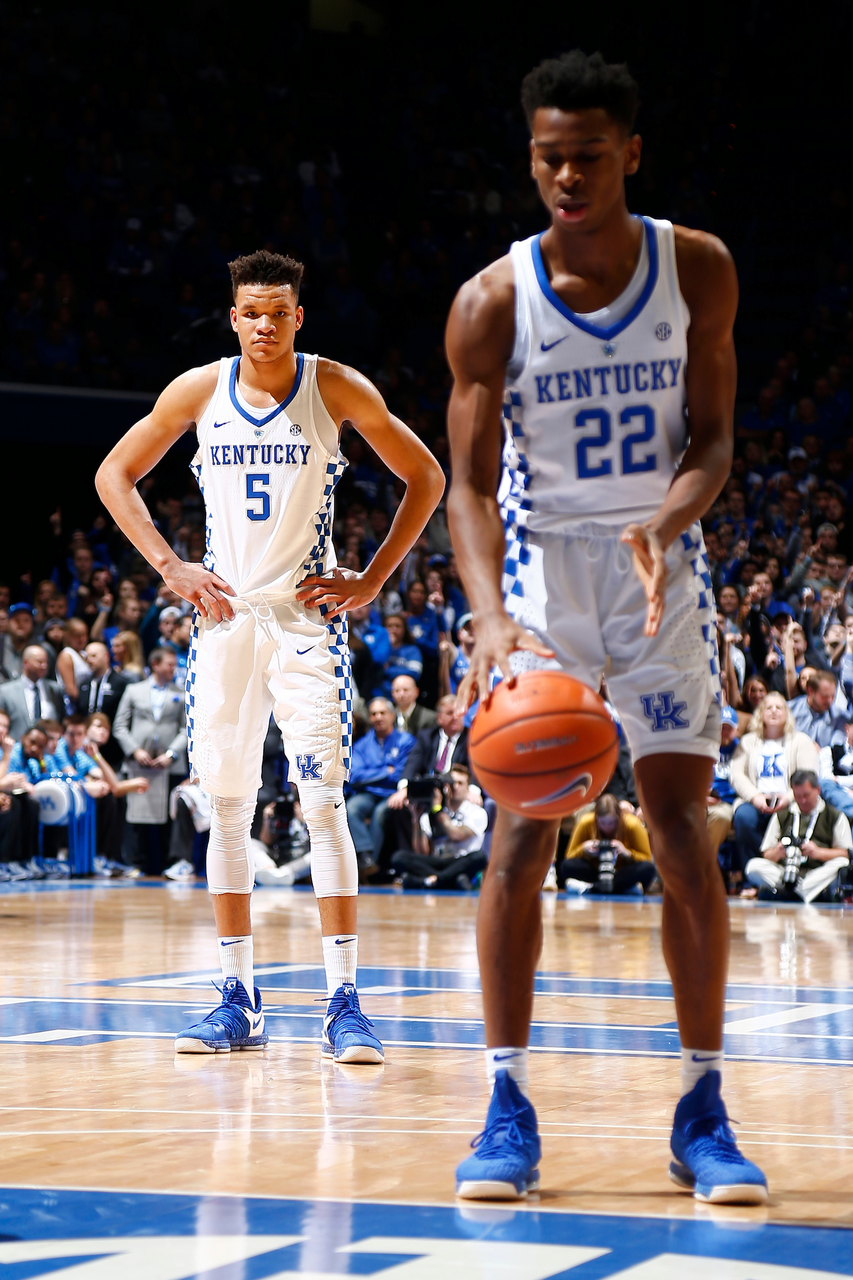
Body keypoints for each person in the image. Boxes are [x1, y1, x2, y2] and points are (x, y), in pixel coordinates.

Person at [445, 51, 767, 1202]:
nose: (565, 175)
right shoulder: (492, 302)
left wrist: (666, 523)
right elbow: (468, 486)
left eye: (586, 154)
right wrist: (489, 619)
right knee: (520, 836)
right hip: (539, 587)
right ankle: (503, 1102)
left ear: (630, 152)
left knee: (682, 833)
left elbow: (714, 438)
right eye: (547, 156)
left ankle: (701, 1106)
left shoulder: (698, 269)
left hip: (654, 576)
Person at [96, 248, 443, 1059]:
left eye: (276, 312)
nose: (262, 324)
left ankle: (343, 1001)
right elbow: (116, 474)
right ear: (233, 317)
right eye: (249, 312)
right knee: (225, 806)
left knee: (321, 804)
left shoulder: (334, 385)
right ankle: (237, 997)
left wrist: (374, 578)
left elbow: (422, 475)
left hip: (304, 621)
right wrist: (169, 567)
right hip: (223, 618)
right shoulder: (198, 388)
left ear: (298, 316)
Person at [111, 649, 188, 874]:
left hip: (168, 763)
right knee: (136, 815)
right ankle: (136, 863)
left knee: (168, 815)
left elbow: (186, 729)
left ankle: (168, 864)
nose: (173, 669)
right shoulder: (134, 690)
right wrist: (134, 751)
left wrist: (171, 754)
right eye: (169, 664)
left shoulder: (181, 692)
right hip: (138, 762)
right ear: (155, 664)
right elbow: (120, 726)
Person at [730, 692, 818, 871]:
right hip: (755, 800)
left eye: (779, 707)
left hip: (790, 801)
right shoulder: (747, 741)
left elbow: (809, 775)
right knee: (743, 818)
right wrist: (755, 797)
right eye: (768, 707)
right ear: (761, 713)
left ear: (786, 713)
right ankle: (753, 875)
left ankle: (780, 871)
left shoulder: (801, 741)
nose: (774, 711)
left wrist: (789, 797)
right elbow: (736, 774)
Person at [745, 769, 851, 903]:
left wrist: (818, 852)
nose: (802, 800)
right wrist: (777, 852)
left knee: (841, 864)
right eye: (797, 796)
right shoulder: (781, 815)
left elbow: (845, 853)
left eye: (806, 795)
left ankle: (788, 893)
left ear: (817, 790)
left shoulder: (835, 816)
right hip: (785, 871)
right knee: (753, 866)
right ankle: (803, 893)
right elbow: (766, 854)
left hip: (816, 872)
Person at [345, 697, 415, 875]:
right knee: (351, 808)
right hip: (368, 793)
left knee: (380, 813)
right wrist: (386, 771)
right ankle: (366, 856)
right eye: (374, 714)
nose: (378, 717)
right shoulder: (361, 745)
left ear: (392, 715)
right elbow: (355, 776)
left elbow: (401, 774)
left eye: (382, 713)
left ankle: (371, 864)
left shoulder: (405, 741)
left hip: (392, 793)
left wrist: (376, 773)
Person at [392, 765, 489, 890]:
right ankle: (448, 880)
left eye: (460, 783)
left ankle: (429, 881)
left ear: (468, 788)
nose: (455, 787)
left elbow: (457, 834)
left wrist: (438, 810)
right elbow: (421, 852)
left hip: (461, 861)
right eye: (451, 783)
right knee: (399, 857)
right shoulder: (430, 813)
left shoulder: (477, 812)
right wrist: (416, 819)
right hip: (438, 861)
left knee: (479, 857)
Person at [557, 793, 655, 894]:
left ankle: (594, 887)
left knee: (648, 869)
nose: (607, 827)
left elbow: (647, 860)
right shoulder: (585, 822)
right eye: (602, 823)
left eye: (612, 823)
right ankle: (621, 888)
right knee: (566, 866)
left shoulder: (633, 825)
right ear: (595, 818)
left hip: (621, 871)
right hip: (595, 870)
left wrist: (627, 853)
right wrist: (584, 849)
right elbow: (569, 857)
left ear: (619, 817)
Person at [76, 641, 132, 768]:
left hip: (113, 749)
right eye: (87, 657)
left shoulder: (121, 683)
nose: (89, 660)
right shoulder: (84, 684)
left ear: (106, 656)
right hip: (86, 748)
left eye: (94, 656)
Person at [0, 646, 64, 741]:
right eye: (39, 662)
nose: (44, 666)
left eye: (46, 662)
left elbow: (60, 719)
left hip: (49, 750)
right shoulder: (5, 691)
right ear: (26, 663)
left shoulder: (55, 690)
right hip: (15, 748)